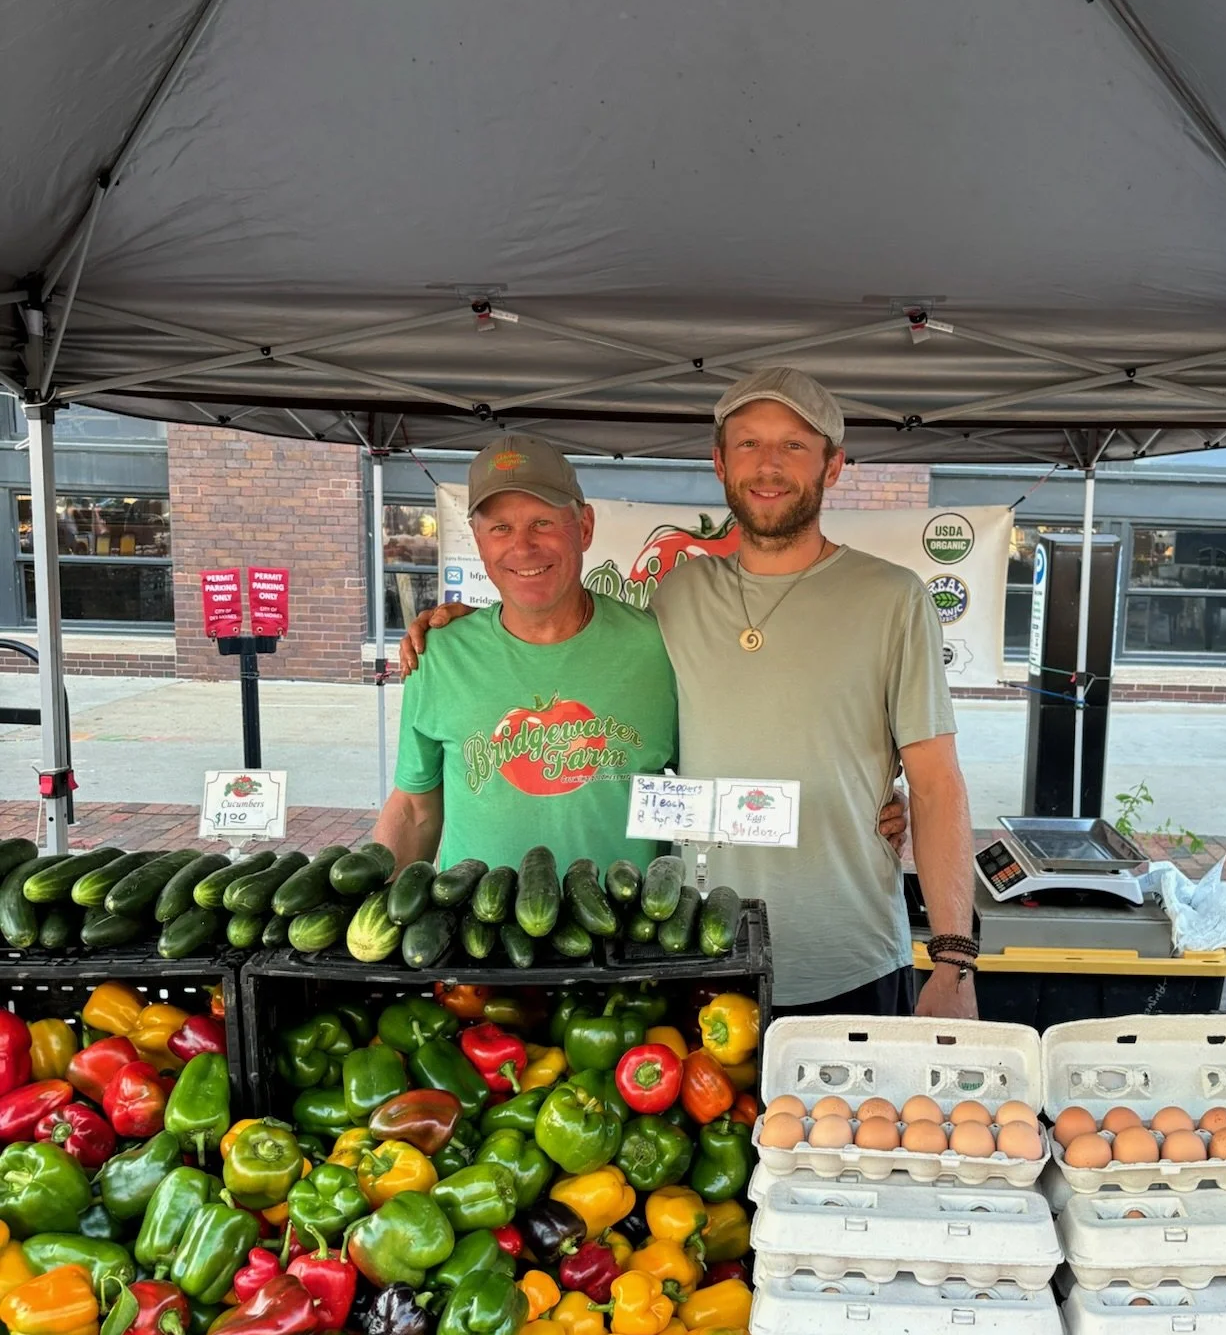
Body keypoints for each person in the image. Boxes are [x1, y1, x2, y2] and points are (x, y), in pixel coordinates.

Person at [399, 368, 980, 1019]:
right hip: (700, 950)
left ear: (834, 465)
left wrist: (954, 957)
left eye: (793, 445)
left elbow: (937, 784)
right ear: (719, 464)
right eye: (748, 445)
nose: (768, 466)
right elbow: (575, 654)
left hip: (851, 957)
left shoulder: (892, 598)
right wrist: (454, 622)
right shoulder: (677, 597)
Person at [374, 435, 678, 875]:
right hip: (473, 933)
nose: (522, 547)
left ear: (585, 527)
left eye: (542, 523)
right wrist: (374, 913)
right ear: (479, 541)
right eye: (500, 528)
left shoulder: (660, 647)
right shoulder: (438, 653)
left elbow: (710, 783)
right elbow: (415, 808)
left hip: (623, 935)